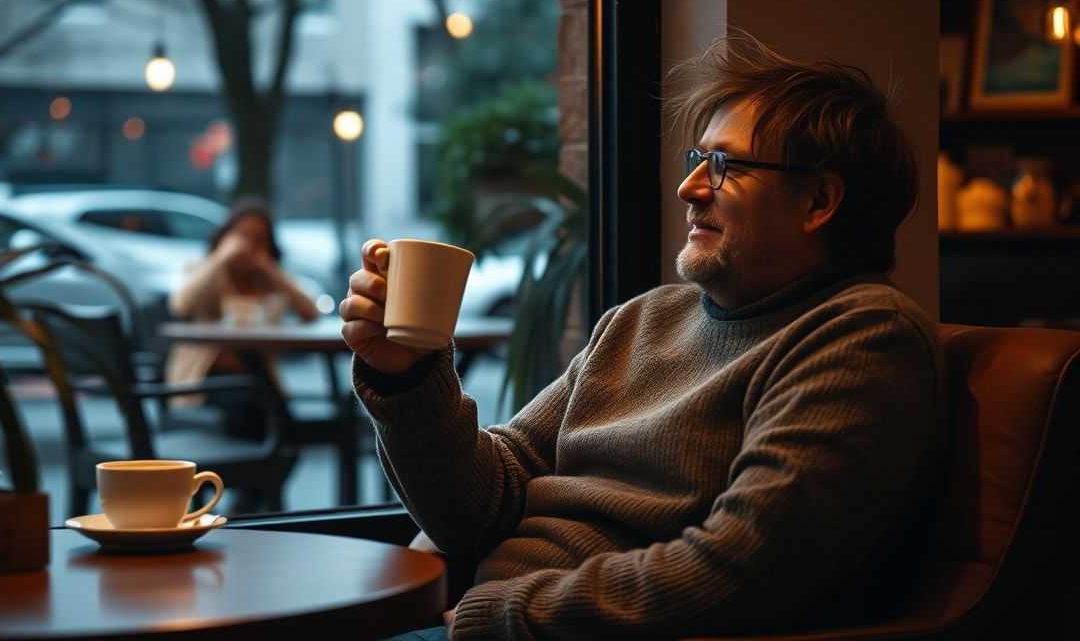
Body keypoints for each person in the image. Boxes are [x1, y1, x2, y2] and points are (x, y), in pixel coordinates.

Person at [339, 34, 948, 640]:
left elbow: (739, 570)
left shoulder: (862, 339)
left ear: (818, 201)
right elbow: (485, 504)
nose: (688, 189)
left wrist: (501, 615)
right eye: (697, 161)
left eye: (724, 165)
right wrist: (410, 374)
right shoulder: (643, 320)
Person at [165, 198, 319, 398]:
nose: (249, 246)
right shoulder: (203, 270)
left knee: (270, 409)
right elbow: (180, 305)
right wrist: (221, 257)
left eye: (259, 239)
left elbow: (310, 312)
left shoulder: (267, 280)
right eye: (242, 235)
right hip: (205, 383)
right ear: (226, 235)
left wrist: (272, 270)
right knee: (254, 410)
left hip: (258, 382)